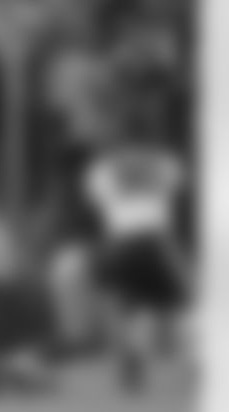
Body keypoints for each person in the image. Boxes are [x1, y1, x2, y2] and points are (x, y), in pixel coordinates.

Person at [82, 140, 192, 393]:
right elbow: (176, 192)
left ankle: (130, 354)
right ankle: (170, 351)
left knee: (123, 304)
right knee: (169, 302)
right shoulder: (166, 164)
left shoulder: (102, 170)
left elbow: (97, 203)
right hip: (155, 241)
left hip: (120, 242)